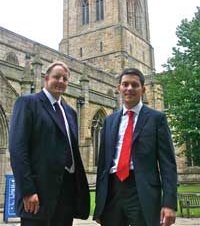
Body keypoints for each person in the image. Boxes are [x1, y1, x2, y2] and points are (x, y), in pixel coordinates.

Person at [9, 61, 90, 226]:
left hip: (67, 192)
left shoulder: (70, 112)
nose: (61, 81)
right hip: (38, 193)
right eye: (56, 77)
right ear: (46, 79)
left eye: (65, 79)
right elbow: (18, 149)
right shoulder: (28, 103)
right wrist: (27, 190)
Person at [93, 68, 177, 226]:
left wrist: (169, 203)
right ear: (119, 88)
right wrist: (99, 205)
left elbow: (168, 164)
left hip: (142, 190)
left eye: (134, 85)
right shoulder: (109, 120)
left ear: (143, 90)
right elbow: (103, 166)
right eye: (125, 84)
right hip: (113, 190)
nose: (129, 88)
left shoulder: (156, 118)